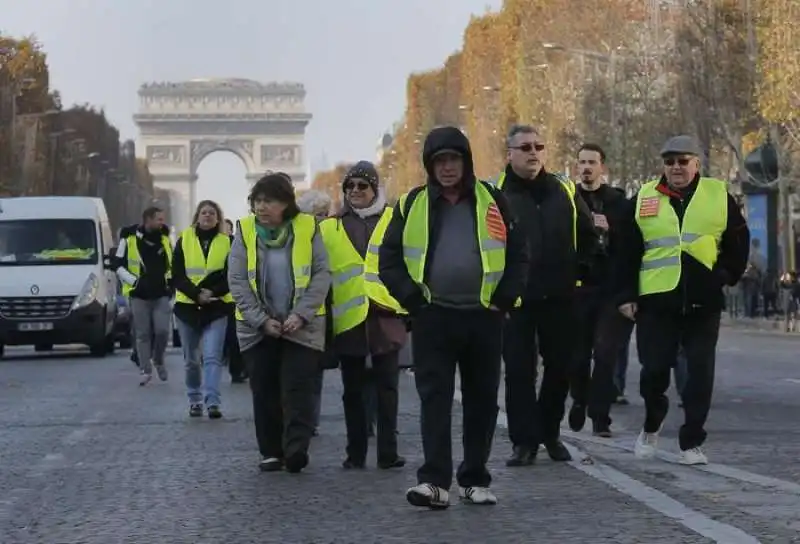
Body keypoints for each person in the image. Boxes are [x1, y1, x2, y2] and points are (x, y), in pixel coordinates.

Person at [380, 126, 528, 509]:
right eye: (439, 161)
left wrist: (504, 299)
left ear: (466, 161)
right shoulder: (411, 204)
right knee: (435, 400)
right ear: (429, 166)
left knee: (481, 401)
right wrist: (414, 302)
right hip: (434, 316)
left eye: (454, 159)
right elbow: (389, 259)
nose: (447, 168)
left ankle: (475, 478)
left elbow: (518, 253)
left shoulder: (494, 200)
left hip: (484, 316)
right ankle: (434, 483)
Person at [615, 135, 749, 465]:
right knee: (654, 372)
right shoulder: (644, 197)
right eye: (670, 161)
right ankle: (652, 423)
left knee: (699, 375)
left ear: (696, 165)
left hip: (703, 303)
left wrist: (723, 276)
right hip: (656, 302)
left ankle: (691, 441)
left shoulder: (718, 195)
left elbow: (738, 241)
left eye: (683, 161)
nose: (676, 167)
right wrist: (626, 295)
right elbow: (625, 252)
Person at [496, 125, 597, 466]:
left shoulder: (565, 189)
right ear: (509, 153)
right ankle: (524, 441)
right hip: (517, 298)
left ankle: (550, 432)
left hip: (560, 294)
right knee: (520, 372)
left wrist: (580, 272)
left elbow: (587, 234)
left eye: (539, 145)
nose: (533, 152)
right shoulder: (495, 194)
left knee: (561, 367)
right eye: (525, 147)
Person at [229, 172, 331, 473]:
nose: (261, 207)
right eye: (257, 201)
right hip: (257, 328)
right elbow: (236, 280)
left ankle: (296, 449)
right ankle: (271, 451)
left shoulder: (308, 227)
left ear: (286, 203)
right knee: (265, 390)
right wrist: (261, 321)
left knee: (298, 390)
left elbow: (321, 275)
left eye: (269, 201)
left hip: (301, 325)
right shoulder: (244, 231)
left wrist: (301, 314)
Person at [320, 161, 408, 470]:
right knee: (353, 392)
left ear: (375, 189)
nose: (355, 191)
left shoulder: (395, 220)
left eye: (362, 185)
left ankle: (388, 452)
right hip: (349, 320)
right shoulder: (328, 227)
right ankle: (354, 452)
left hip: (385, 315)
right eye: (350, 186)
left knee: (388, 390)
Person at [566, 143, 630, 438]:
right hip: (577, 290)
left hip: (609, 289)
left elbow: (631, 244)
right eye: (582, 162)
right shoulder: (568, 198)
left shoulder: (618, 201)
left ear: (602, 167)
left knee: (605, 354)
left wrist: (610, 229)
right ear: (576, 167)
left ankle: (600, 416)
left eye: (592, 162)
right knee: (577, 356)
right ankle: (579, 398)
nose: (587, 167)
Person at [171, 200, 233, 419]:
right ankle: (194, 398)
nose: (207, 216)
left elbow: (233, 275)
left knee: (212, 357)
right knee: (191, 360)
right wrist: (197, 294)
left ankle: (213, 401)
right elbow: (177, 275)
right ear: (197, 216)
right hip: (188, 307)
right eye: (204, 212)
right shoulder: (183, 240)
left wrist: (210, 292)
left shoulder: (229, 242)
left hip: (216, 307)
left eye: (212, 213)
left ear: (218, 218)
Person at [115, 207, 173, 386]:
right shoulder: (128, 239)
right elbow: (118, 264)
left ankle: (158, 359)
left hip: (161, 293)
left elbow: (172, 263)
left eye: (163, 219)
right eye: (159, 219)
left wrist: (170, 283)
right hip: (139, 294)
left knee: (163, 331)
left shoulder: (165, 240)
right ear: (147, 220)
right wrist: (134, 282)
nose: (162, 222)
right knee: (142, 334)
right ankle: (145, 369)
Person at [297, 189, 334, 436]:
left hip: (325, 309)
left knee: (316, 368)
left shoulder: (333, 234)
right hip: (300, 309)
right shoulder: (299, 237)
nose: (323, 218)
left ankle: (311, 419)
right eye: (318, 214)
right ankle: (301, 417)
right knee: (301, 370)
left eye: (325, 214)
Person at [222, 218, 247, 384]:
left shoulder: (237, 245)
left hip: (236, 299)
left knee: (236, 337)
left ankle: (238, 369)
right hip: (221, 299)